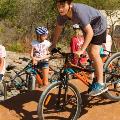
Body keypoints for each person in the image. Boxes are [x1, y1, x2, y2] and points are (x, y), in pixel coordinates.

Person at [50, 0, 108, 96]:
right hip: (88, 26)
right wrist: (53, 45)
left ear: (69, 4)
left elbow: (90, 33)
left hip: (99, 25)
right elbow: (58, 30)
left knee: (94, 52)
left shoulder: (78, 12)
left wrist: (81, 50)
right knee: (90, 53)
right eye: (58, 6)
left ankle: (101, 83)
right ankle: (96, 76)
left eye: (62, 5)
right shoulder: (61, 15)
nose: (60, 9)